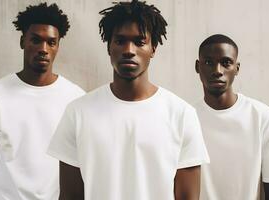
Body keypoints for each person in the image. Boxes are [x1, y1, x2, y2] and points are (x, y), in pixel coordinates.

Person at [47, 0, 210, 199]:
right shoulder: (78, 112)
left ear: (153, 48)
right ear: (109, 47)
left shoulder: (181, 114)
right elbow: (70, 196)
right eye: (120, 41)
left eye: (139, 41)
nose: (129, 50)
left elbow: (188, 197)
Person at [0, 3, 85, 200]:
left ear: (58, 46)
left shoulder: (76, 99)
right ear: (22, 41)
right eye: (36, 40)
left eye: (51, 42)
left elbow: (81, 173)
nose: (43, 49)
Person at [194, 34, 269, 200]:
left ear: (237, 68)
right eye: (209, 62)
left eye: (226, 63)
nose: (217, 71)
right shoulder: (185, 119)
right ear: (197, 66)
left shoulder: (265, 119)